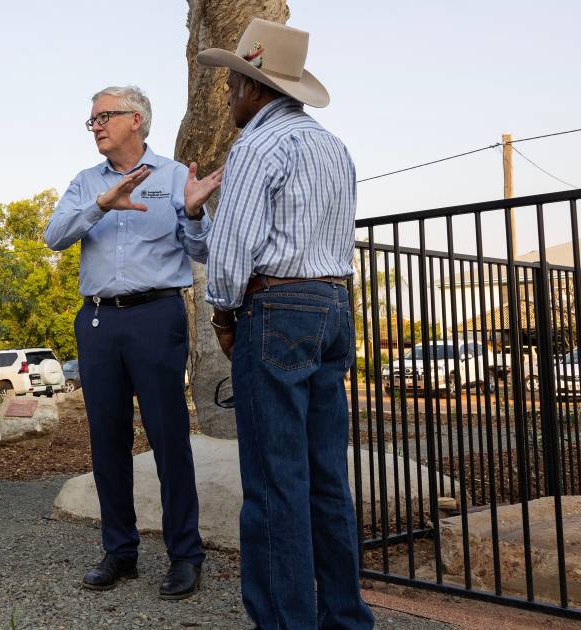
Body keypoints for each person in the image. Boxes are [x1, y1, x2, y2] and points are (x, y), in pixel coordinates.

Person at [198, 19, 375, 628]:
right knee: (326, 476)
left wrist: (225, 314)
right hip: (332, 305)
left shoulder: (255, 147)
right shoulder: (333, 146)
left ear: (255, 88)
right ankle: (346, 618)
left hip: (276, 309)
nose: (227, 94)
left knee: (275, 482)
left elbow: (228, 254)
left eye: (233, 83)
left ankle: (285, 622)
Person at [43, 85, 221, 599]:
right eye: (92, 119)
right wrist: (101, 205)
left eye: (104, 116)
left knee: (168, 439)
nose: (95, 125)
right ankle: (119, 551)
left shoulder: (172, 178)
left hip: (155, 317)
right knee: (107, 442)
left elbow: (203, 251)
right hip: (98, 322)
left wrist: (191, 213)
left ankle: (185, 555)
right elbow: (55, 236)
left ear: (136, 120)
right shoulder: (85, 182)